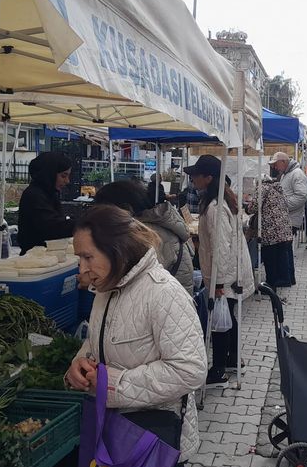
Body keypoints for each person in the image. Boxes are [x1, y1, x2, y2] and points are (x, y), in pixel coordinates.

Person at [65, 205, 206, 467]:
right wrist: (81, 363)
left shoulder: (163, 293)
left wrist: (114, 384)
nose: (81, 268)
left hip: (153, 440)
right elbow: (99, 341)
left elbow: (190, 370)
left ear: (115, 249)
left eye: (88, 257)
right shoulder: (105, 290)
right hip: (114, 435)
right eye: (79, 258)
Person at [186, 155, 255, 386]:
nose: (193, 179)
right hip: (230, 272)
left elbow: (221, 247)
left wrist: (218, 282)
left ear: (208, 177)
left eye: (196, 175)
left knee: (220, 321)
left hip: (225, 274)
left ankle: (218, 370)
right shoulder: (223, 200)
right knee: (228, 316)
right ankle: (232, 359)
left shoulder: (216, 207)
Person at [94, 179, 195, 292]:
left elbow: (132, 281)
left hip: (164, 300)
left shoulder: (145, 235)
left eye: (104, 214)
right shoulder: (153, 226)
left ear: (125, 210)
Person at [17, 151, 74, 254]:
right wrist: (83, 224)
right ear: (49, 174)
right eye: (63, 176)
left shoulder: (50, 193)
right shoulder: (34, 195)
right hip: (34, 256)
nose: (67, 181)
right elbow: (52, 227)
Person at [247, 178, 294, 290]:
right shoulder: (278, 189)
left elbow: (253, 207)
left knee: (270, 259)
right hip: (284, 229)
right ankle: (283, 280)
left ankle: (270, 285)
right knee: (279, 257)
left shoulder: (262, 189)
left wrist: (247, 208)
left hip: (270, 230)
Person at [270, 152, 307, 234]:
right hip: (286, 218)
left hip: (290, 220)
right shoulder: (286, 174)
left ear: (283, 161)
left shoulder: (297, 174)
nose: (275, 167)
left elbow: (301, 196)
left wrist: (282, 206)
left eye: (276, 164)